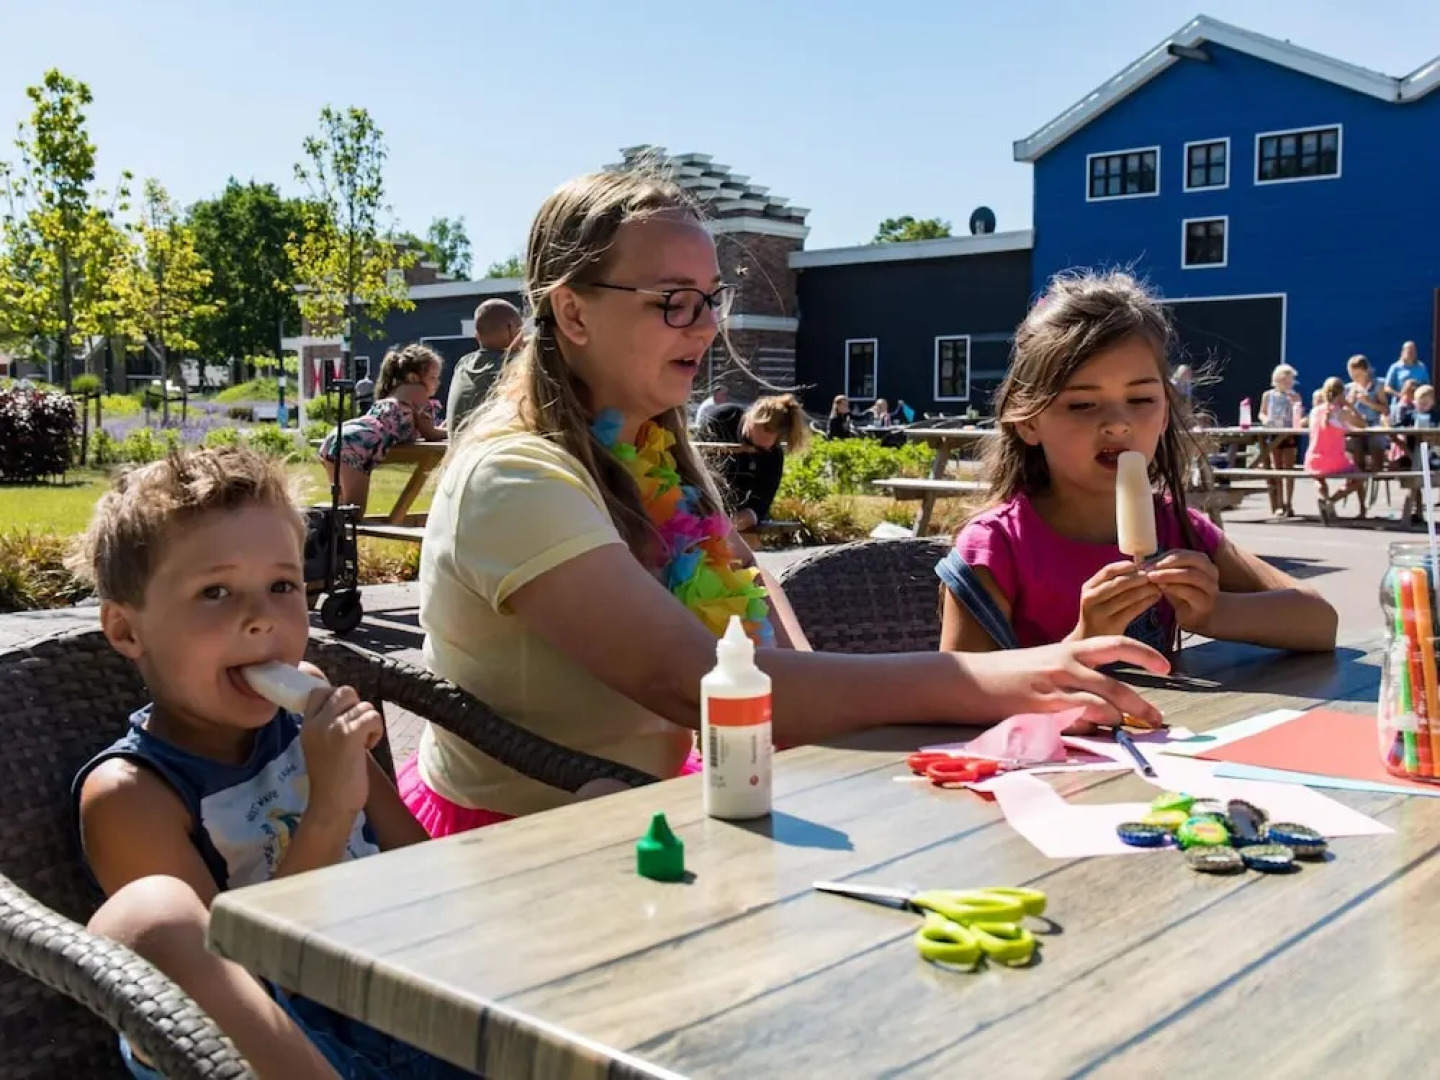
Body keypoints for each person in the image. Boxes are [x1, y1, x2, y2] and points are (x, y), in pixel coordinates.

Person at [400, 169, 1168, 832]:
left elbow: (765, 631)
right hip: (526, 849)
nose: (707, 326)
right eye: (674, 301)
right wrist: (999, 678)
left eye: (711, 298)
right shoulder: (516, 478)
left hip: (658, 813)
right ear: (573, 313)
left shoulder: (648, 456)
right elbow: (692, 680)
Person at [64, 447, 469, 1080]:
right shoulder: (131, 796)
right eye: (215, 592)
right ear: (126, 631)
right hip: (290, 1042)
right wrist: (329, 809)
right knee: (153, 917)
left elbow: (421, 866)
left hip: (401, 998)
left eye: (282, 586)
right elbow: (240, 987)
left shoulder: (308, 709)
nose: (260, 619)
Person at [937, 271, 1336, 657]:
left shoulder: (1178, 529)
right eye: (1083, 404)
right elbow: (956, 689)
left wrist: (1214, 611)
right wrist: (1081, 643)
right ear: (1028, 422)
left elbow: (1320, 621)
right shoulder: (995, 547)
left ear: (1164, 415)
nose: (1118, 424)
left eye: (1141, 400)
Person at [318, 343, 447, 514]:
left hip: (342, 436)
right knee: (353, 514)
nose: (437, 383)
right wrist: (455, 430)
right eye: (433, 377)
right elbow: (430, 433)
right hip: (358, 444)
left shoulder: (396, 393)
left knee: (339, 510)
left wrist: (440, 429)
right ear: (413, 377)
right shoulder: (418, 391)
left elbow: (423, 428)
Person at [701, 393, 810, 536]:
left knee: (749, 537)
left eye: (761, 449)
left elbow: (759, 505)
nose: (751, 449)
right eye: (749, 439)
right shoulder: (722, 418)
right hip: (702, 504)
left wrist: (727, 526)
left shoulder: (773, 455)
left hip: (735, 518)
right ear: (751, 418)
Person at [446, 298, 524, 434]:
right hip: (497, 447)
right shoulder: (516, 364)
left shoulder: (463, 364)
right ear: (511, 328)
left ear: (477, 336)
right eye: (521, 330)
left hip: (460, 447)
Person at [1305, 376, 1370, 519]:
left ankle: (1325, 499)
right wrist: (1350, 405)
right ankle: (1332, 500)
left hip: (1313, 459)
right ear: (1341, 394)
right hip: (1335, 461)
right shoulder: (1341, 412)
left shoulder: (1315, 411)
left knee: (1318, 478)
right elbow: (1363, 424)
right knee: (1359, 476)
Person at [1258, 363, 1303, 517]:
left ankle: (1289, 503)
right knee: (1276, 469)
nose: (1287, 383)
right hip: (1274, 432)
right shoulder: (1268, 395)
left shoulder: (1295, 395)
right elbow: (1262, 413)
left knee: (1289, 469)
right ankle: (1279, 503)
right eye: (1284, 380)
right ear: (1277, 380)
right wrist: (1265, 420)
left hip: (1289, 433)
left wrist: (1296, 404)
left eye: (1290, 380)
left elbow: (1299, 414)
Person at [1345, 354, 1390, 474]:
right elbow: (1344, 412)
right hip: (1356, 427)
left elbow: (1386, 410)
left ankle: (1375, 474)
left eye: (1358, 375)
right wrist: (1350, 402)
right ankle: (1358, 478)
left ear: (1366, 371)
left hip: (1374, 426)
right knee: (1353, 443)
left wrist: (1368, 402)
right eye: (1352, 375)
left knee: (1376, 440)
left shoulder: (1378, 385)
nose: (1355, 378)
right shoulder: (1348, 388)